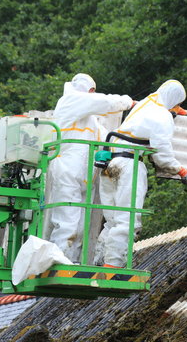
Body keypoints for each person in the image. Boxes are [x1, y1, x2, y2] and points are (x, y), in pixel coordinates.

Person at [95, 79, 187, 268]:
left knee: (112, 221)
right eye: (178, 104)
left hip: (110, 162)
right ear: (174, 100)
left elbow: (151, 116)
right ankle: (113, 268)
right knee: (128, 220)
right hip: (128, 166)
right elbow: (162, 153)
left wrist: (177, 111)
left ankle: (98, 264)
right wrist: (181, 171)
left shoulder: (145, 105)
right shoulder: (162, 116)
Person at [48, 73, 134, 263]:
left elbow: (108, 138)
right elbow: (105, 103)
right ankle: (58, 261)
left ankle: (71, 262)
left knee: (79, 225)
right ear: (90, 91)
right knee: (67, 221)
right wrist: (130, 102)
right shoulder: (71, 100)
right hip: (68, 169)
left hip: (83, 174)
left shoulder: (90, 121)